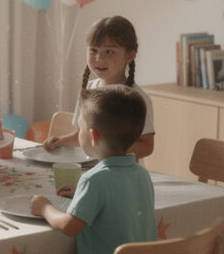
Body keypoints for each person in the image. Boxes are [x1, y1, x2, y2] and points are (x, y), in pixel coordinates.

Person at [29, 85, 191, 254]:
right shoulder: (140, 173)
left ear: (92, 135)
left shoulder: (95, 180)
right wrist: (82, 191)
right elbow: (113, 198)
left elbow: (69, 226)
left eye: (80, 126)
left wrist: (43, 207)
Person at [43, 16, 155, 160]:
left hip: (121, 173)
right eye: (93, 50)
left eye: (109, 52)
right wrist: (62, 141)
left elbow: (147, 146)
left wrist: (109, 151)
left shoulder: (136, 97)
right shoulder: (88, 89)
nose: (99, 58)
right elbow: (84, 136)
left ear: (130, 55)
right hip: (91, 167)